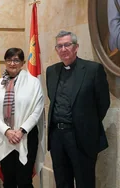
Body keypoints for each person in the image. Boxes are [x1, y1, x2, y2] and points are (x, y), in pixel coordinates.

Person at [46, 30, 110, 188]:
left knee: (85, 182)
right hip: (57, 138)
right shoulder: (51, 71)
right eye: (59, 46)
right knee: (62, 181)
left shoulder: (93, 70)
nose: (63, 49)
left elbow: (103, 103)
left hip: (81, 137)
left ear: (76, 47)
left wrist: (86, 122)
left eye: (67, 45)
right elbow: (51, 99)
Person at [0, 48, 44, 188]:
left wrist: (21, 131)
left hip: (26, 137)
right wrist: (7, 131)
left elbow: (37, 110)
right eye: (9, 60)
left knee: (25, 180)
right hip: (5, 138)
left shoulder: (33, 83)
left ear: (23, 63)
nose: (12, 63)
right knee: (9, 180)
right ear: (5, 62)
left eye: (16, 60)